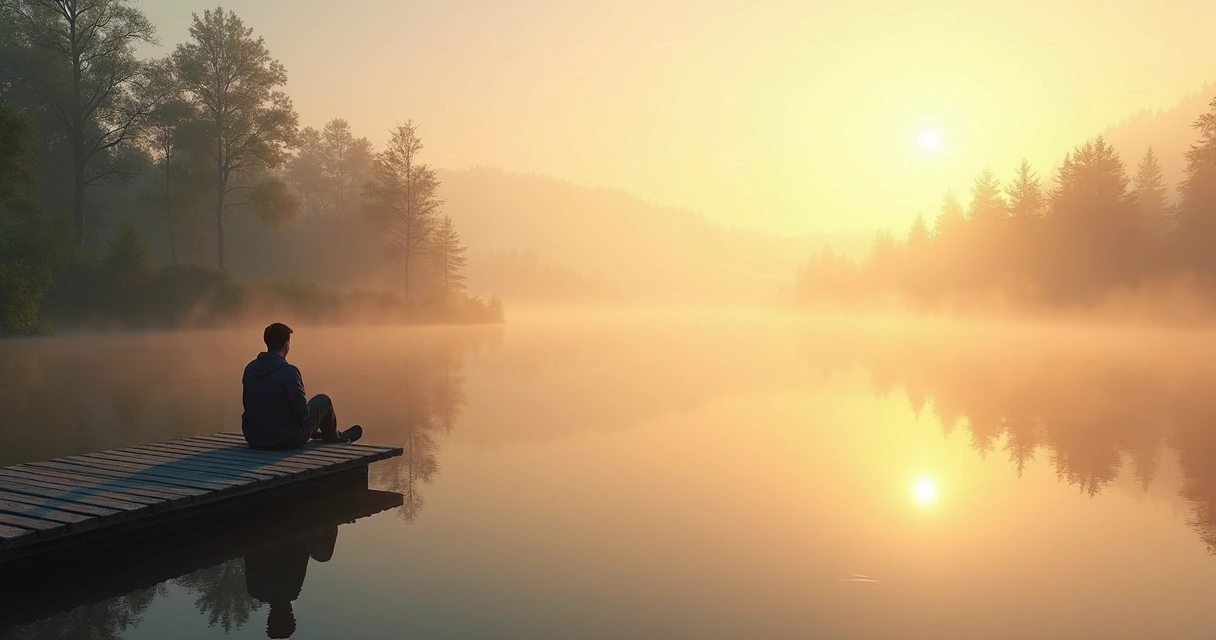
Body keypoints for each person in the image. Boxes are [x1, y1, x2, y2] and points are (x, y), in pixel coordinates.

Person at [242, 322, 363, 449]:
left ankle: (319, 432)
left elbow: (248, 404)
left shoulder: (250, 368)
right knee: (324, 400)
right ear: (286, 344)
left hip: (254, 437)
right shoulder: (289, 371)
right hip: (285, 439)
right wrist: (315, 420)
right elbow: (303, 414)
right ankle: (337, 438)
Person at [245, 525, 339, 639]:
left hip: (280, 533)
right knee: (323, 555)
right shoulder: (256, 592)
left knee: (324, 555)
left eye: (289, 615)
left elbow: (299, 557)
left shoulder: (289, 591)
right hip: (284, 535)